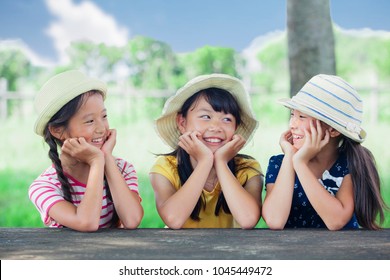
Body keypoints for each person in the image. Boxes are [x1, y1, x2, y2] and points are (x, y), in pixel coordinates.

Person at [262, 74, 387, 230]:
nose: (292, 124)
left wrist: (300, 163)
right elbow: (274, 220)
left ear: (333, 130)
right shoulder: (279, 163)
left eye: (302, 116)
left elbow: (336, 221)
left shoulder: (349, 164)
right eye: (292, 114)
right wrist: (290, 156)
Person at [29, 70, 143, 231]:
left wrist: (107, 159)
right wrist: (97, 162)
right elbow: (87, 223)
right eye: (89, 121)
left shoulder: (123, 170)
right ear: (57, 130)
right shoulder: (44, 186)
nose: (101, 128)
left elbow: (131, 220)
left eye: (104, 116)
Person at [149, 73, 263, 229]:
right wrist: (205, 161)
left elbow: (248, 220)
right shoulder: (165, 167)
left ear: (236, 128)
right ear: (182, 122)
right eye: (205, 116)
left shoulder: (247, 168)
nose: (216, 127)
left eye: (227, 119)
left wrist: (221, 162)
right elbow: (173, 220)